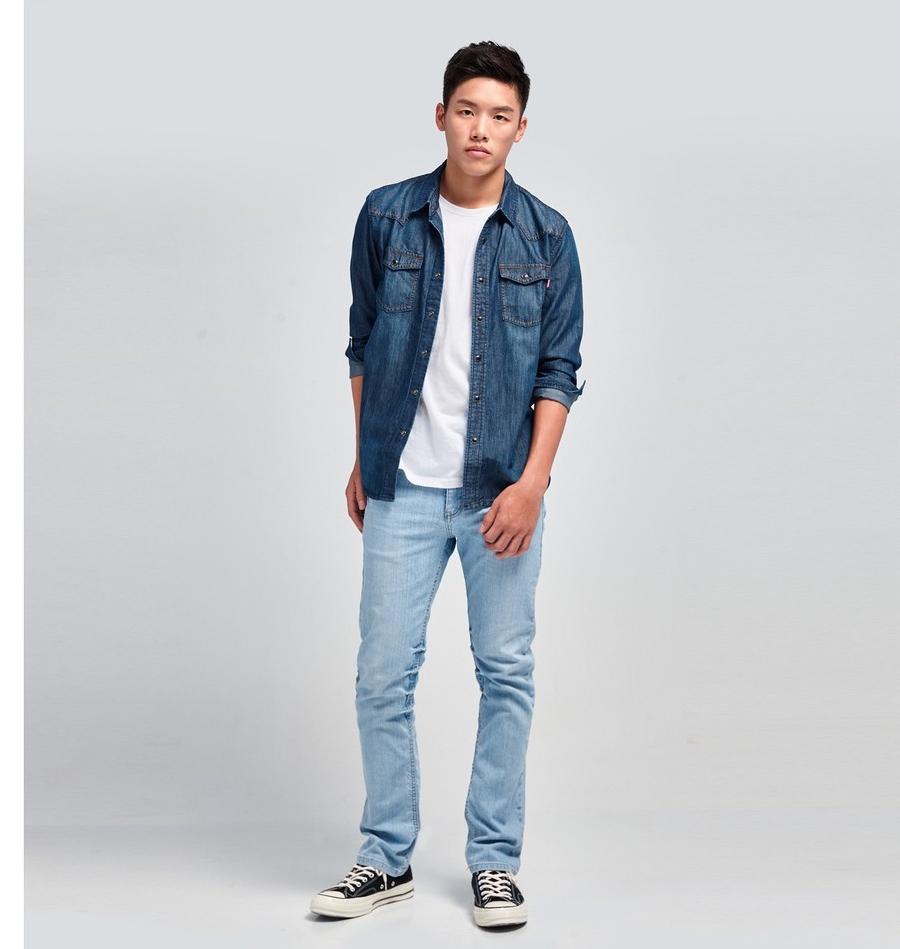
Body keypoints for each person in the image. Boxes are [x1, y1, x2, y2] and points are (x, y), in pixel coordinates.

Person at [310, 40, 584, 929]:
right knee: (381, 675)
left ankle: (494, 862)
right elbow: (362, 343)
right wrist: (366, 454)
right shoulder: (386, 216)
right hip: (401, 484)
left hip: (499, 491)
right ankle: (385, 855)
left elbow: (557, 370)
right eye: (467, 110)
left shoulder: (547, 236)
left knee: (505, 672)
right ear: (441, 115)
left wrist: (533, 484)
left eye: (499, 115)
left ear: (520, 128)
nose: (480, 128)